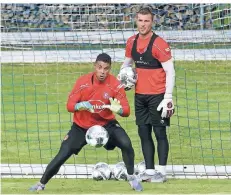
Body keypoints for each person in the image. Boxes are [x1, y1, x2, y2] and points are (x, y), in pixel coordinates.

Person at [29, 53, 143, 192]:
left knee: (126, 144)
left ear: (110, 69)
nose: (102, 71)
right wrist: (80, 105)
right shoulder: (82, 82)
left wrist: (117, 109)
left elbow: (126, 111)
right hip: (81, 127)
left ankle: (131, 177)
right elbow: (69, 106)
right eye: (100, 67)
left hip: (106, 125)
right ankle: (41, 184)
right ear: (95, 66)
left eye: (106, 68)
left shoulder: (115, 84)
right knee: (63, 153)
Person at [119, 6, 175, 183]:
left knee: (160, 134)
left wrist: (168, 97)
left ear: (152, 22)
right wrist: (123, 79)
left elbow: (170, 71)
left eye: (147, 21)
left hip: (157, 96)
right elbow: (126, 65)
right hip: (140, 96)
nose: (143, 24)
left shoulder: (159, 44)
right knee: (144, 133)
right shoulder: (131, 42)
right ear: (136, 20)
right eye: (140, 20)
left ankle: (162, 172)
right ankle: (150, 171)